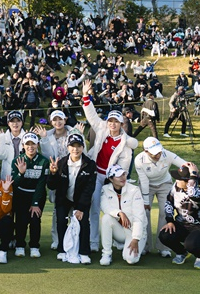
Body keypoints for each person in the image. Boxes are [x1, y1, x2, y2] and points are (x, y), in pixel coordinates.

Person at [81, 79, 138, 252]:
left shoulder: (125, 143)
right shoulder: (102, 129)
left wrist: (118, 181)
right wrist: (85, 96)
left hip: (112, 179)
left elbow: (125, 167)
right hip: (96, 175)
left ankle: (118, 239)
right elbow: (91, 115)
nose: (112, 124)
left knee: (117, 209)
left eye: (116, 122)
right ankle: (93, 243)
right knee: (95, 208)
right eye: (110, 121)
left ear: (121, 124)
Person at [47, 132, 96, 264]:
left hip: (81, 200)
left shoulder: (90, 164)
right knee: (61, 222)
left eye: (79, 146)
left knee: (84, 222)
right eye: (72, 146)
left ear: (82, 147)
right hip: (64, 199)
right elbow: (52, 186)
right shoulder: (61, 163)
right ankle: (62, 250)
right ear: (68, 148)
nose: (75, 149)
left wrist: (80, 208)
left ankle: (84, 252)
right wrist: (53, 173)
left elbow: (88, 189)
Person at [134, 137, 186, 257]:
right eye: (154, 153)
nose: (158, 155)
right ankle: (145, 246)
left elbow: (182, 163)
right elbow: (144, 181)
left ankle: (163, 247)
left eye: (159, 152)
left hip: (165, 184)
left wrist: (190, 167)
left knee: (165, 212)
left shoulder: (166, 154)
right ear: (146, 151)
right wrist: (146, 201)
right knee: (144, 213)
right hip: (147, 185)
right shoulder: (139, 159)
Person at [158, 162, 200, 269]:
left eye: (179, 179)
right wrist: (170, 221)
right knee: (164, 235)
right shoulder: (176, 188)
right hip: (181, 225)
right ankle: (182, 252)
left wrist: (193, 175)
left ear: (188, 182)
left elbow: (192, 194)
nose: (176, 181)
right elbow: (169, 202)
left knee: (191, 244)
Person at [99, 164, 147, 266]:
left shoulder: (134, 190)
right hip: (120, 231)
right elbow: (105, 207)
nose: (123, 177)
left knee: (131, 259)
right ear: (111, 179)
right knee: (106, 218)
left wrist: (135, 239)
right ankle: (106, 254)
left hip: (134, 232)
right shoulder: (105, 189)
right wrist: (120, 213)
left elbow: (139, 216)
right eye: (119, 176)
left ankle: (139, 243)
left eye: (124, 174)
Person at [11, 132, 49, 258]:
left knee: (35, 220)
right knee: (21, 221)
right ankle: (20, 245)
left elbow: (41, 183)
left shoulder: (44, 161)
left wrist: (35, 203)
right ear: (23, 145)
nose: (30, 147)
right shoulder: (17, 160)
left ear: (37, 144)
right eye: (28, 144)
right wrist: (21, 173)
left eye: (33, 144)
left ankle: (34, 246)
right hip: (20, 194)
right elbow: (14, 184)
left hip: (37, 195)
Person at [0, 110, 26, 179]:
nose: (15, 124)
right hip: (7, 176)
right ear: (8, 123)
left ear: (22, 123)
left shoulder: (27, 137)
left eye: (18, 121)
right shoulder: (3, 137)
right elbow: (0, 156)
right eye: (12, 121)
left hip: (24, 175)